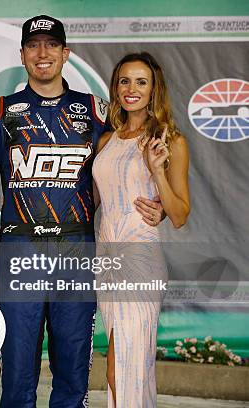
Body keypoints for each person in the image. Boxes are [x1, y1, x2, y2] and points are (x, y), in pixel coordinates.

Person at [0, 16, 164, 408]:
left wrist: (157, 201)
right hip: (20, 249)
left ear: (65, 53)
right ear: (22, 54)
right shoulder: (0, 112)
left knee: (73, 371)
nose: (43, 53)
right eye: (34, 45)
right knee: (18, 368)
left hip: (77, 248)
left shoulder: (95, 111)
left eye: (51, 45)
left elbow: (133, 158)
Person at [93, 52, 190, 407]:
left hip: (140, 260)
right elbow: (93, 201)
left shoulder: (170, 141)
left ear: (154, 90)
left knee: (125, 368)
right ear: (116, 88)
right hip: (107, 263)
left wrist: (157, 171)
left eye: (141, 81)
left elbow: (179, 213)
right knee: (123, 369)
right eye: (124, 81)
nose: (131, 89)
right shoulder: (107, 141)